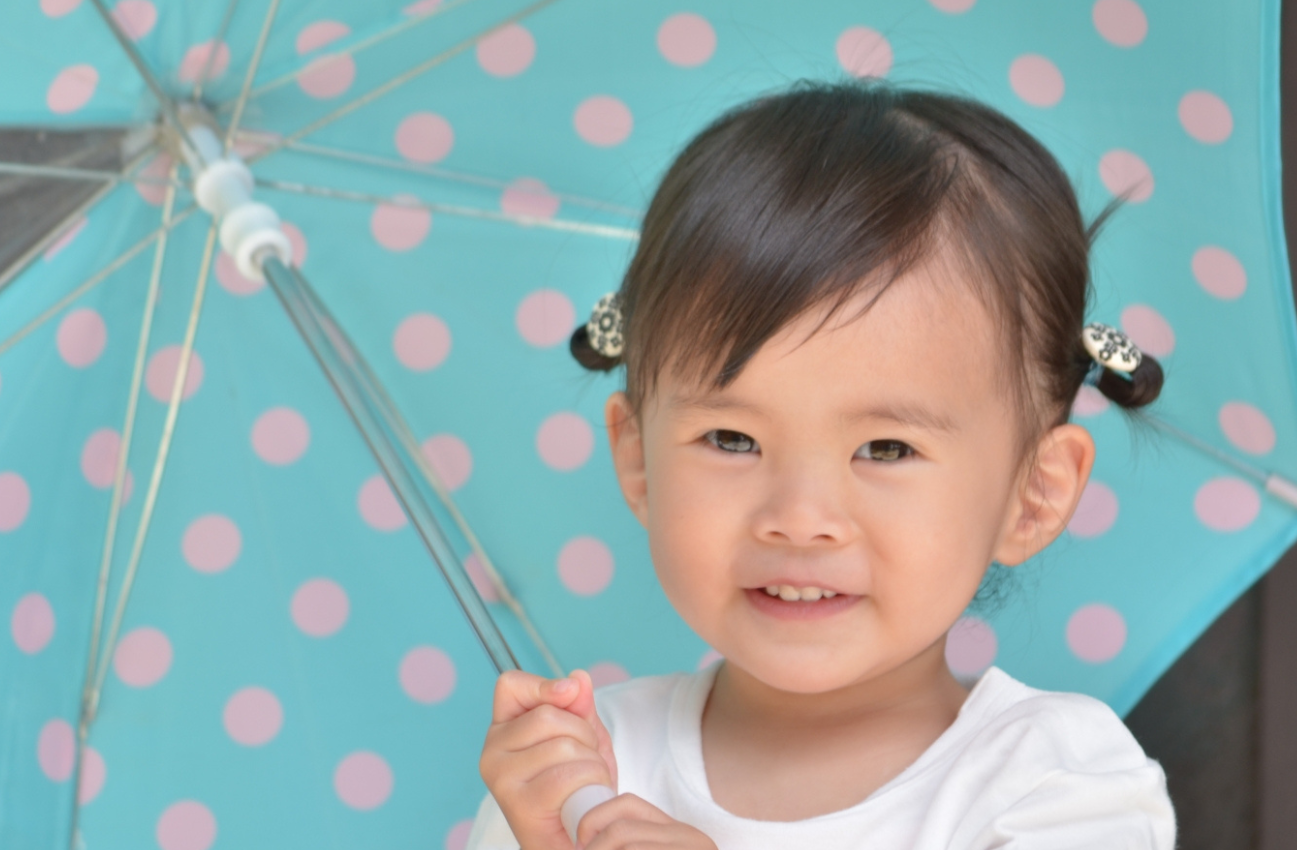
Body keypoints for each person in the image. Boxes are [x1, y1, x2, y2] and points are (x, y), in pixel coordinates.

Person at [466, 80, 1177, 850]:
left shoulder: (1053, 784)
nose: (799, 519)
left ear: (1033, 493)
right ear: (638, 459)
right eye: (731, 439)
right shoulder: (581, 776)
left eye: (886, 449)